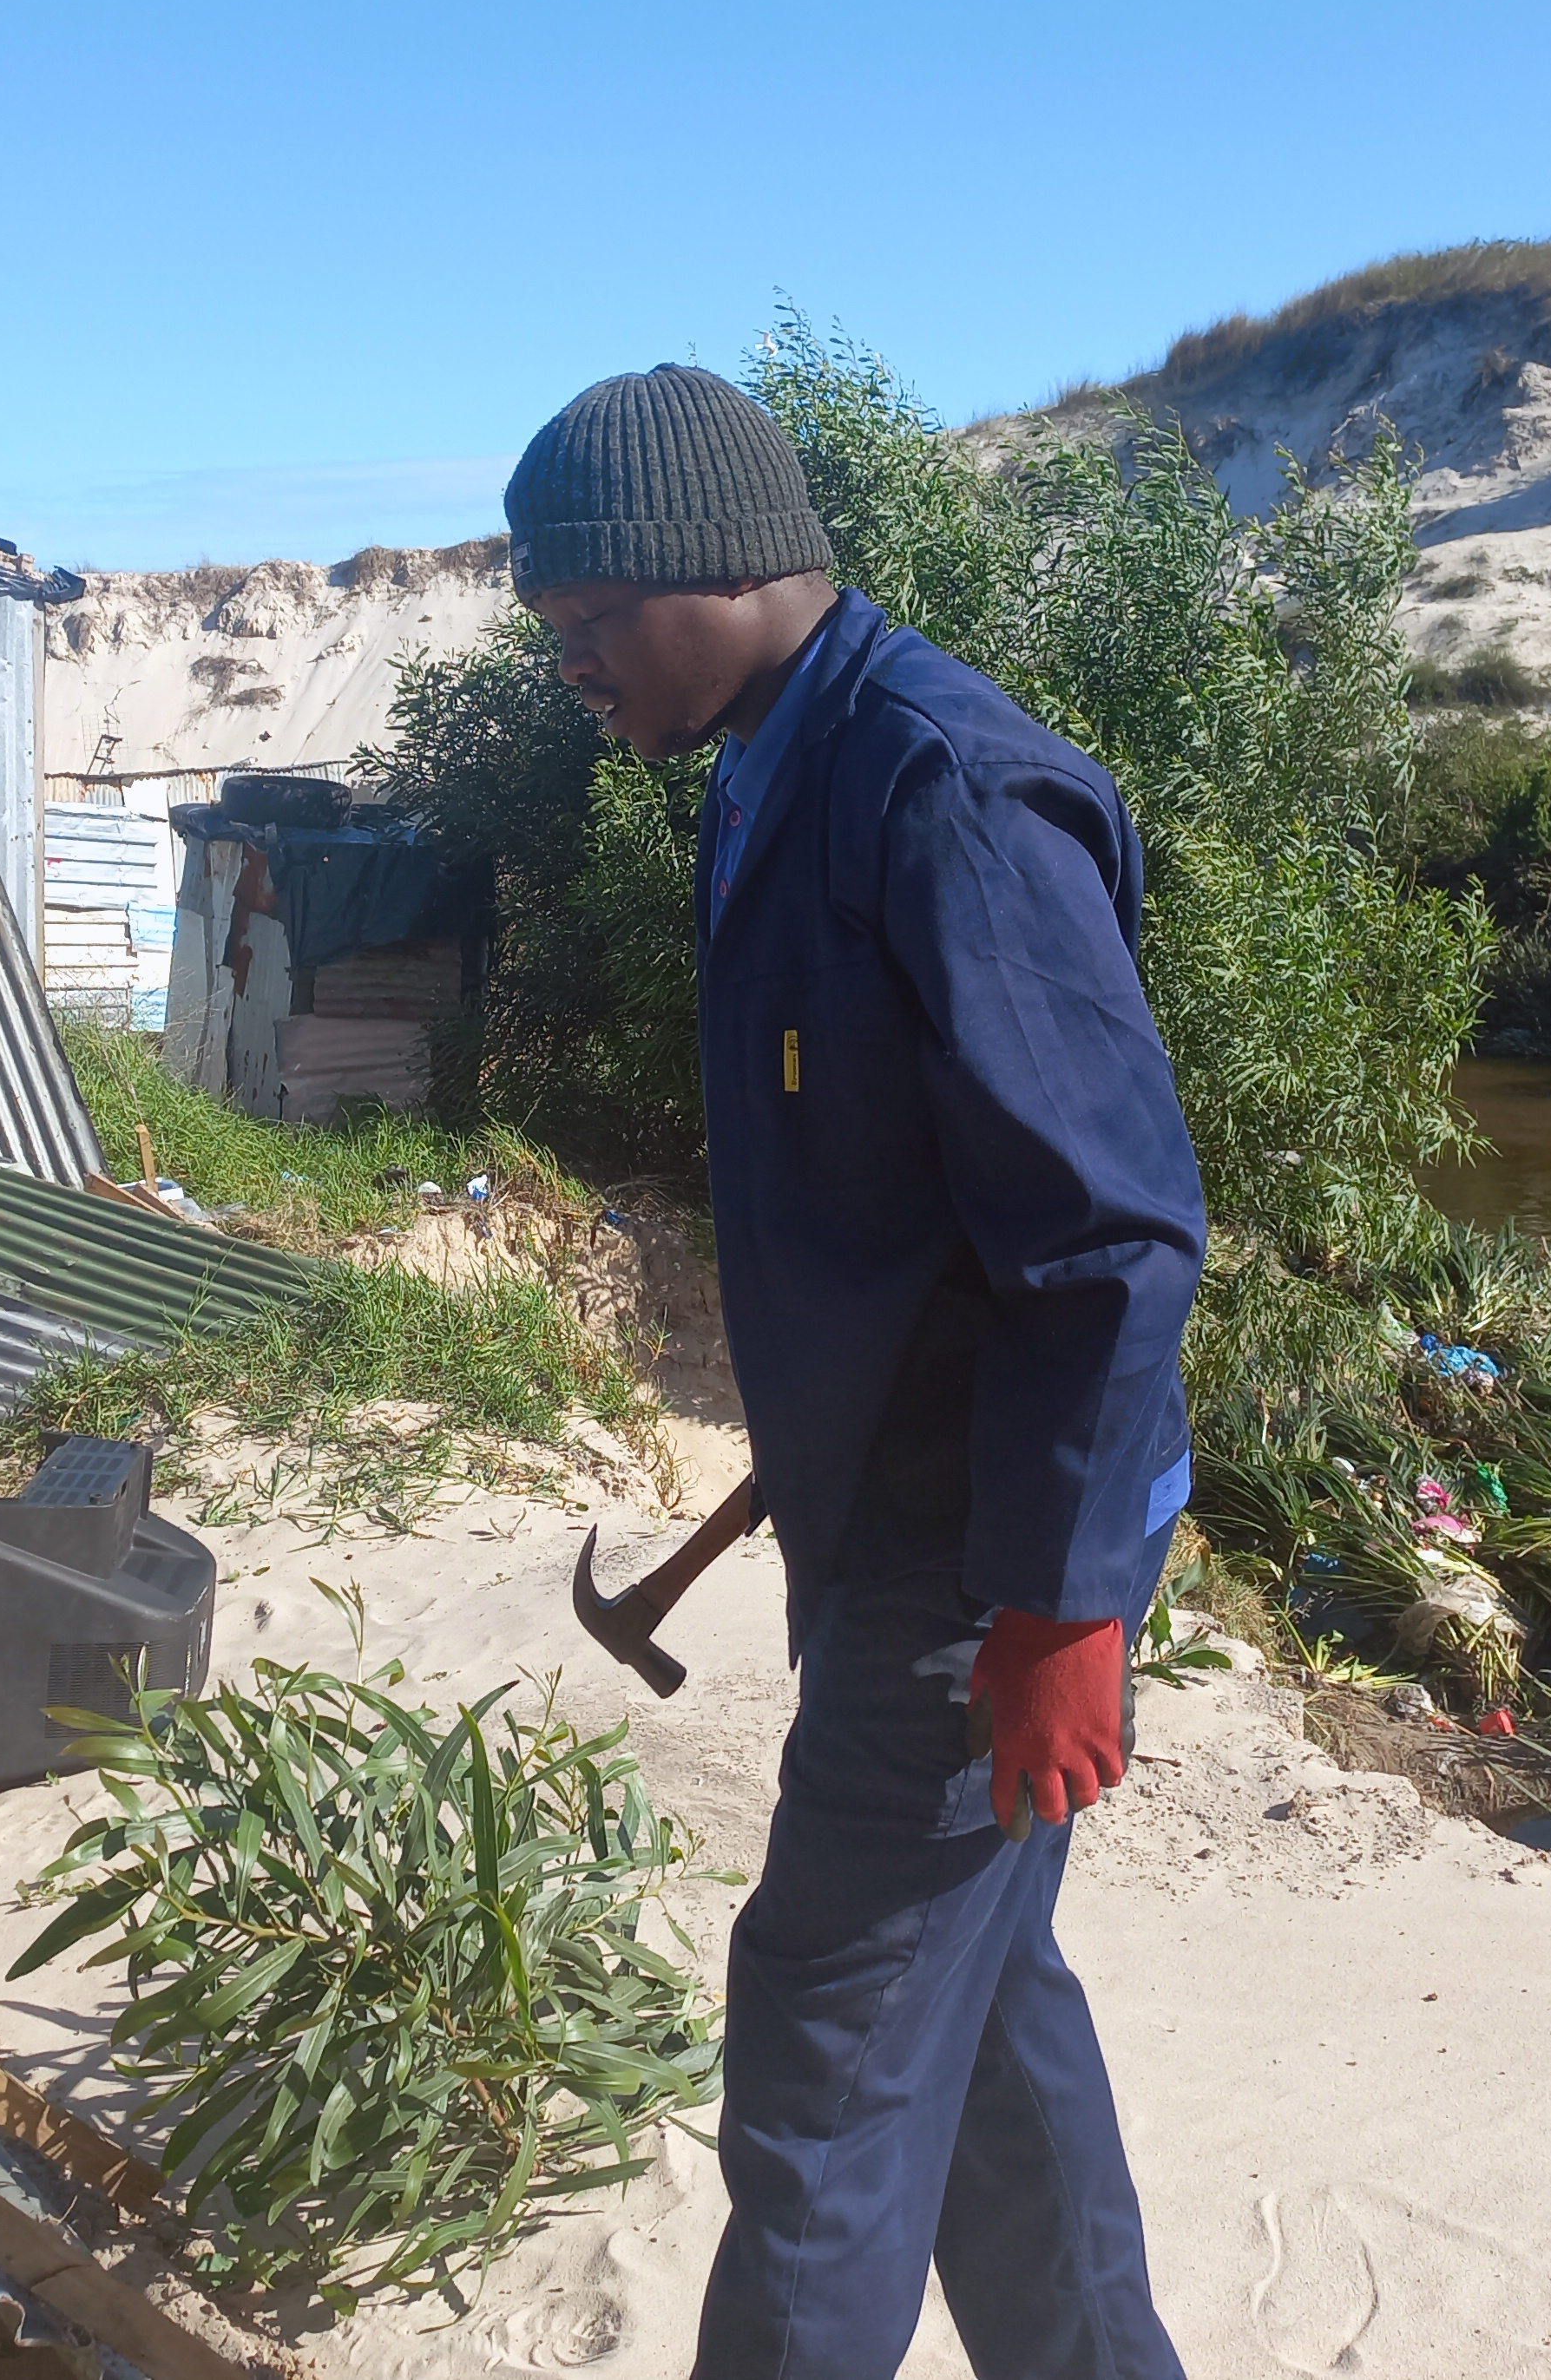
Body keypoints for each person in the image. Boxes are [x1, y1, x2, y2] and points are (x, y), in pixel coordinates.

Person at [507, 366, 1205, 2380]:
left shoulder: (940, 789)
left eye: (583, 626)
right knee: (979, 2023)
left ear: (712, 573)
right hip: (902, 1534)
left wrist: (1066, 1601)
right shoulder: (767, 769)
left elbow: (1109, 1236)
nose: (568, 670)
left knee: (818, 2071)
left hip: (973, 1577)